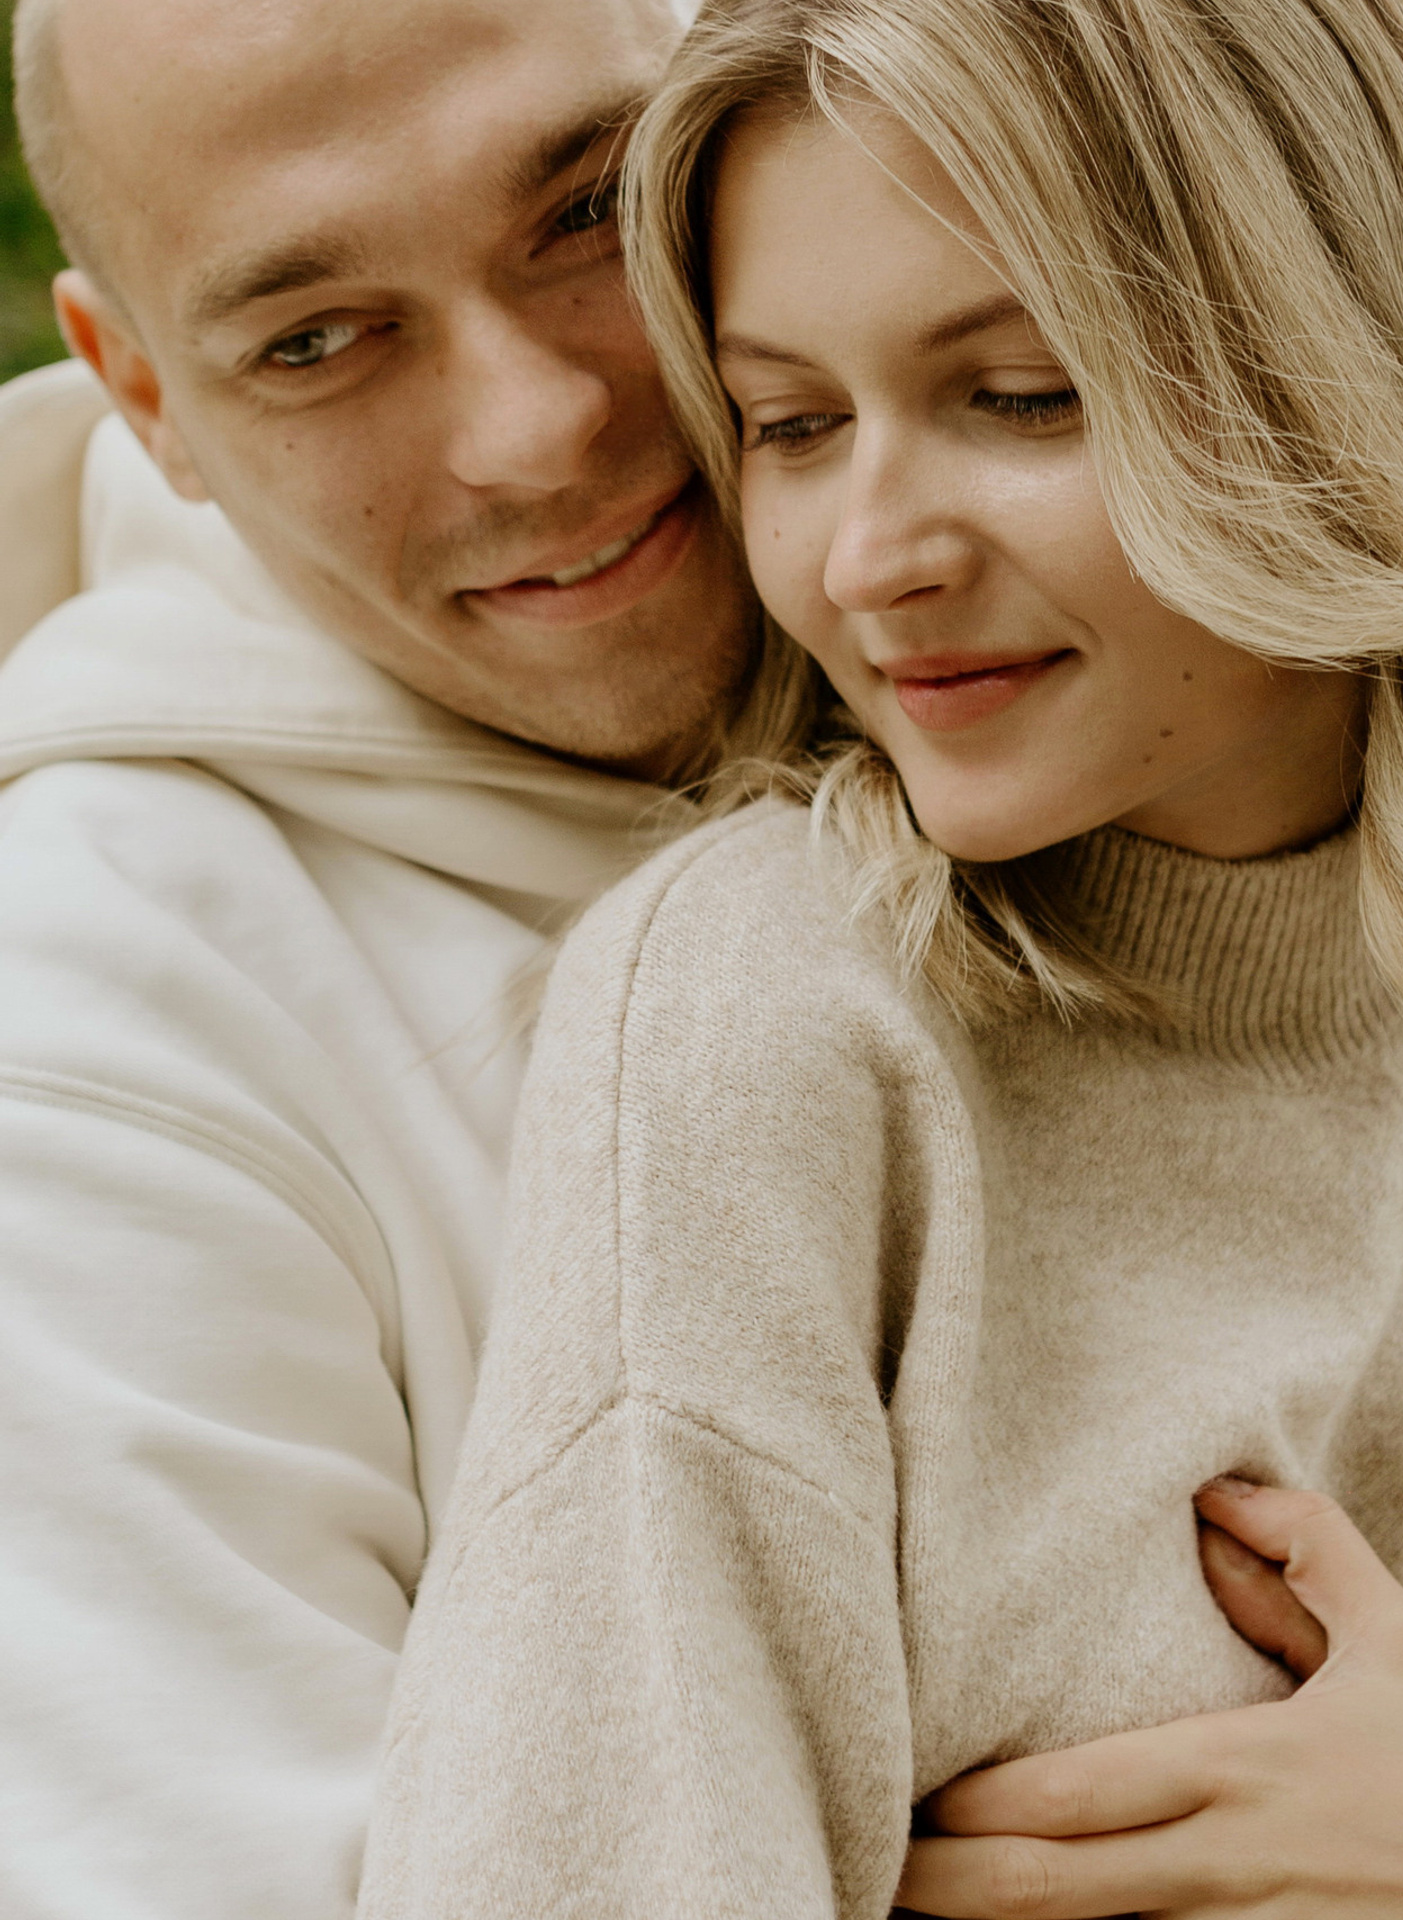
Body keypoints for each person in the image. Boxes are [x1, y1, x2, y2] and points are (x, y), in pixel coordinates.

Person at [358, 0, 1403, 1915]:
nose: (869, 557)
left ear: (1381, 371)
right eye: (791, 425)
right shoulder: (762, 1021)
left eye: (1020, 394)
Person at [0, 0, 807, 1913]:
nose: (535, 430)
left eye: (594, 209)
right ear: (147, 404)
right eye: (314, 341)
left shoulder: (1195, 690)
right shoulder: (82, 1039)